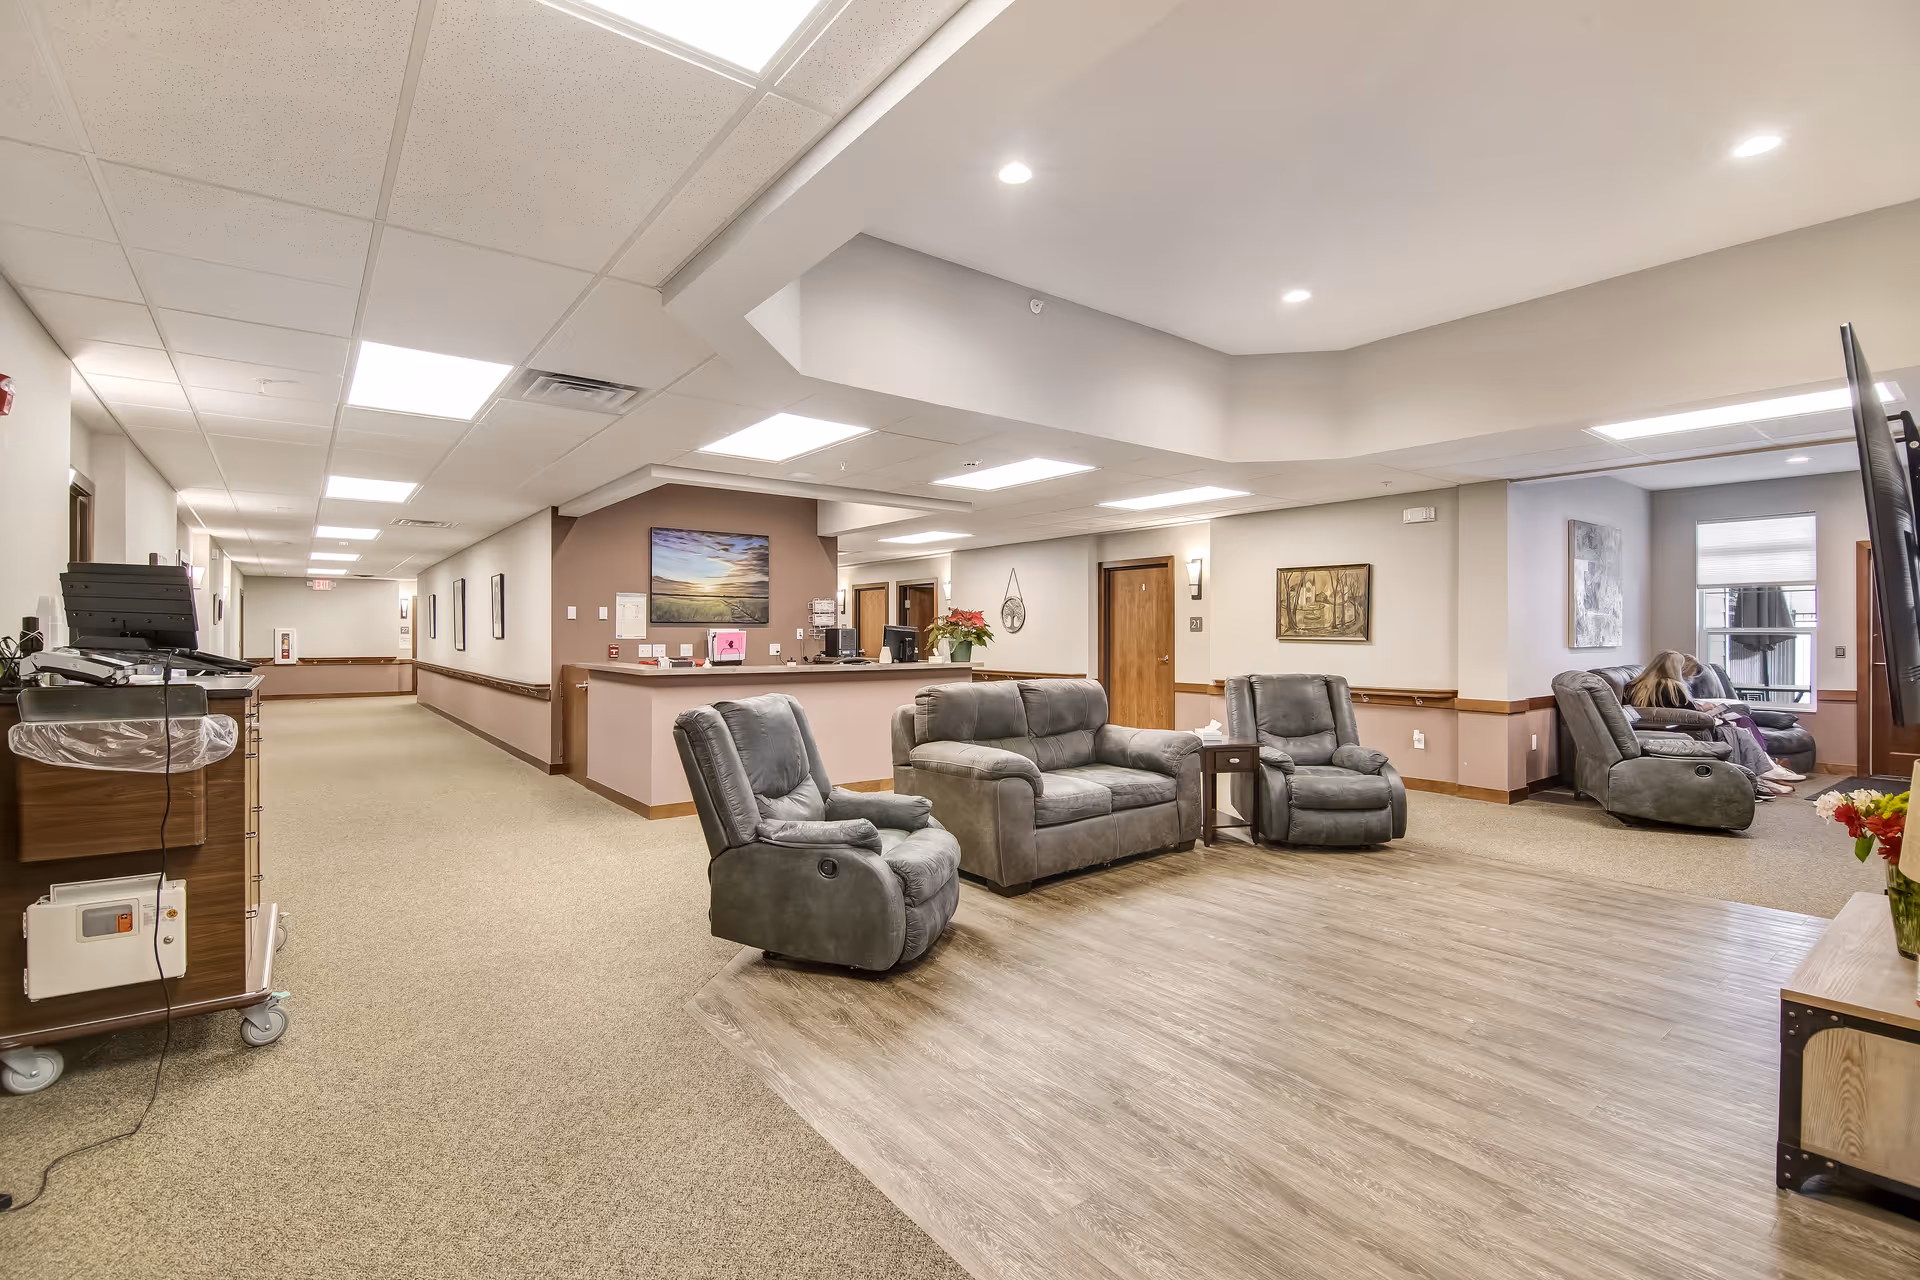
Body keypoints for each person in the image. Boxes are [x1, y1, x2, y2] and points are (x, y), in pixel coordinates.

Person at [1621, 651, 1803, 798]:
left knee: (1733, 730)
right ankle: (1764, 773)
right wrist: (1719, 719)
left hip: (1647, 731)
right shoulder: (1672, 687)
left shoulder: (1632, 686)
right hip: (1683, 731)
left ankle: (1763, 776)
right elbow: (1691, 716)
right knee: (1737, 732)